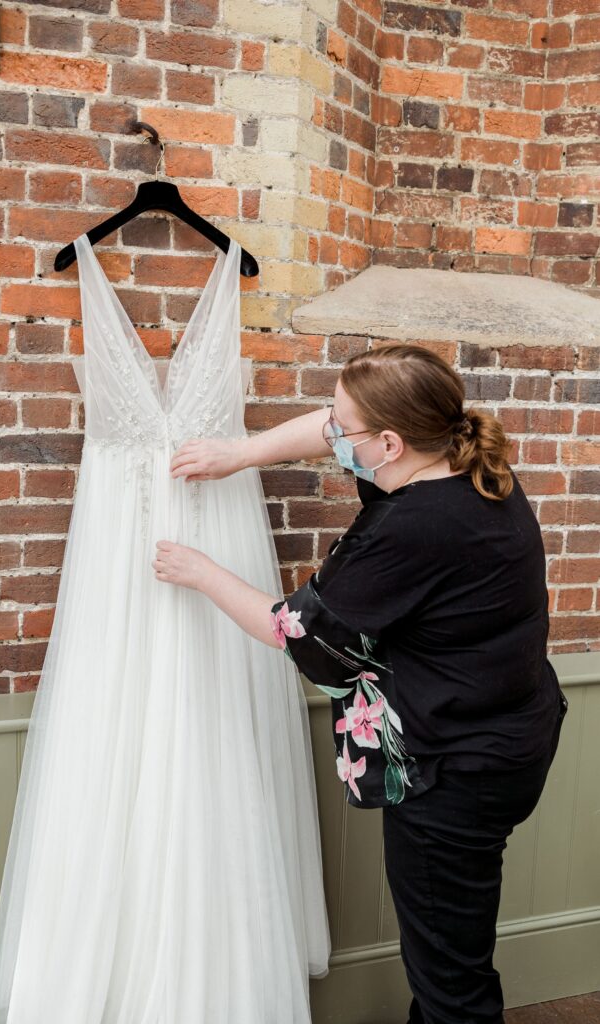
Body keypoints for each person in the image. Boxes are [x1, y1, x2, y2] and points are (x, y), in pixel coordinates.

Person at [152, 342, 568, 1024]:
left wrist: (200, 571)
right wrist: (239, 452)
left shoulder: (416, 526)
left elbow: (295, 630)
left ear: (389, 441)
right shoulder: (461, 463)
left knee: (450, 977)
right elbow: (326, 428)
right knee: (447, 946)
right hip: (507, 734)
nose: (331, 434)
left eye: (345, 429)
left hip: (457, 768)